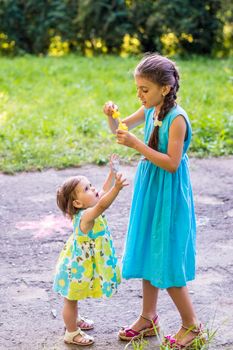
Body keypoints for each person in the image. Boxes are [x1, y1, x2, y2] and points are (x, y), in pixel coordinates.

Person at [103, 54, 205, 348]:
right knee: (149, 249)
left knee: (167, 256)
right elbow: (120, 130)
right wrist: (112, 117)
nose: (139, 95)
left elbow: (172, 163)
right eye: (137, 89)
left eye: (144, 89)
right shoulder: (150, 109)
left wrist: (136, 145)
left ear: (164, 88)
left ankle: (192, 325)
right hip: (150, 189)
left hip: (168, 193)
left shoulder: (177, 119)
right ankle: (148, 318)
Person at [53, 155, 128, 346]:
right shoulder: (87, 215)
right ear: (77, 203)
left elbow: (101, 193)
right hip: (76, 267)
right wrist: (117, 189)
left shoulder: (87, 208)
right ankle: (71, 332)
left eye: (90, 185)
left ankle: (74, 320)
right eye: (87, 189)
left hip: (80, 264)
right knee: (71, 299)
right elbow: (103, 203)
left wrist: (111, 173)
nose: (93, 189)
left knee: (74, 298)